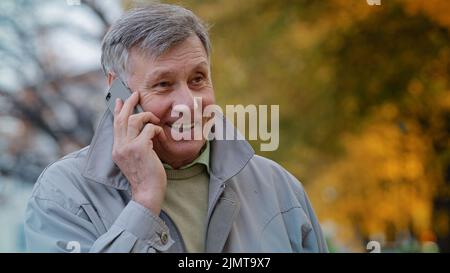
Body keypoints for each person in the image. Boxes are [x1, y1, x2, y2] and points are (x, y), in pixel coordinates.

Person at [24, 3, 328, 253]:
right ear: (117, 91)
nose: (188, 103)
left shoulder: (280, 187)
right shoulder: (62, 194)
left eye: (198, 79)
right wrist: (144, 202)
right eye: (163, 84)